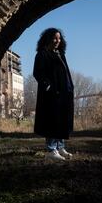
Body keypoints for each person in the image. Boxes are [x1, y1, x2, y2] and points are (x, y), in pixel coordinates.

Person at [33, 28, 74, 161]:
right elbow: (38, 73)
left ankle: (60, 147)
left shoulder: (60, 54)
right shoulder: (42, 54)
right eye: (55, 38)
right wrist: (48, 86)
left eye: (59, 38)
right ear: (48, 38)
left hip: (63, 94)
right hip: (51, 95)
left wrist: (70, 87)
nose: (57, 41)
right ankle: (51, 149)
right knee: (51, 121)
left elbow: (65, 72)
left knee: (61, 120)